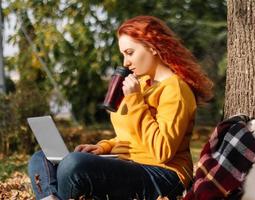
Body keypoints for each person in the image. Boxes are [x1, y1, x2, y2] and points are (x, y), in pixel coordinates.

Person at [28, 15, 213, 200]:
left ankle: (53, 193)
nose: (125, 62)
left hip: (163, 174)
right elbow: (130, 135)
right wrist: (103, 148)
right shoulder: (142, 84)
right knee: (42, 157)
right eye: (123, 54)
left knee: (73, 164)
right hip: (127, 165)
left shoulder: (176, 89)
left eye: (130, 52)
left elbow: (162, 150)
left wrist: (134, 99)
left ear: (153, 47)